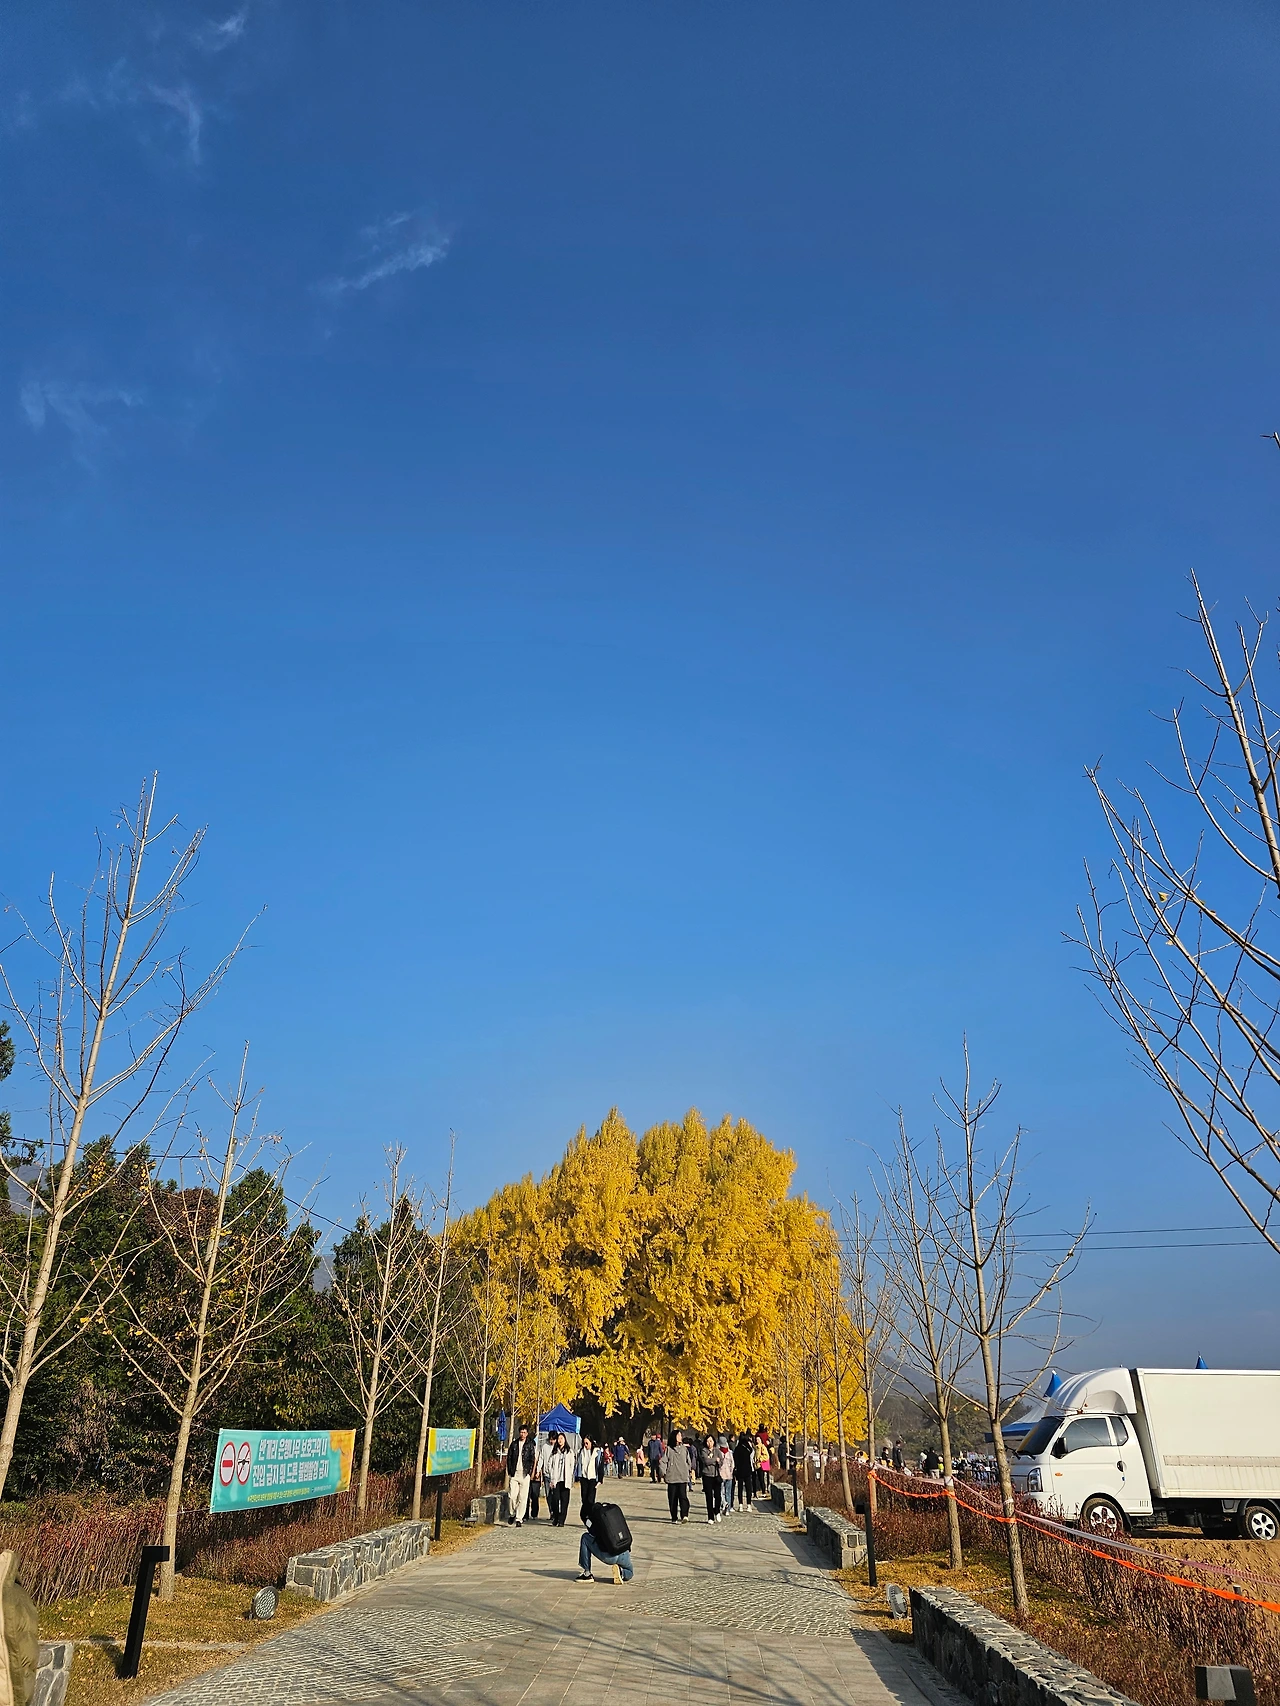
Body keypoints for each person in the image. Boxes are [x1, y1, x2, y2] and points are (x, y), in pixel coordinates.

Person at [576, 1505, 635, 1584]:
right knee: (630, 1572)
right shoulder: (613, 1514)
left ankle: (587, 1574)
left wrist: (587, 1521)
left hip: (610, 1556)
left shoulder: (595, 1520)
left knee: (585, 1538)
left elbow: (592, 1533)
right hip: (624, 1552)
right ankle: (622, 1573)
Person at [506, 1425, 537, 1526]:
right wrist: (510, 1471)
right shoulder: (514, 1444)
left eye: (524, 1432)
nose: (522, 1434)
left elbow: (532, 1459)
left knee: (523, 1498)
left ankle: (519, 1518)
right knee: (512, 1496)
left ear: (527, 1434)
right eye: (521, 1432)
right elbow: (509, 1458)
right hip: (515, 1474)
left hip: (525, 1474)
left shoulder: (530, 1445)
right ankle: (512, 1513)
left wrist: (530, 1472)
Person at [660, 1429, 693, 1522]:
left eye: (680, 1435)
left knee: (683, 1496)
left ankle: (684, 1515)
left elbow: (688, 1461)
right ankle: (674, 1516)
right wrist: (663, 1473)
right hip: (672, 1477)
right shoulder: (669, 1449)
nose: (680, 1437)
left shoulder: (684, 1449)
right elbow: (663, 1461)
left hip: (682, 1477)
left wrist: (688, 1470)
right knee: (672, 1498)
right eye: (678, 1435)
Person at [545, 1431, 574, 1526]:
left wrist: (570, 1475)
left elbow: (572, 1465)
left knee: (564, 1501)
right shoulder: (554, 1452)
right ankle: (556, 1517)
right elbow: (549, 1464)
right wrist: (551, 1474)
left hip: (565, 1480)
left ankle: (562, 1520)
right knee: (555, 1500)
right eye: (559, 1439)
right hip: (556, 1480)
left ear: (565, 1440)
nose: (560, 1440)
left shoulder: (569, 1452)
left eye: (562, 1438)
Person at [697, 1434, 722, 1523]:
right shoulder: (704, 1450)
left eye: (711, 1441)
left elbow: (721, 1461)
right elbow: (706, 1461)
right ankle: (710, 1517)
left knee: (718, 1496)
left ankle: (717, 1511)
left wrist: (717, 1461)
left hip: (716, 1475)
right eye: (707, 1441)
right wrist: (715, 1460)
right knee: (709, 1497)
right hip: (707, 1475)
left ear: (714, 1442)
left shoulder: (717, 1450)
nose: (709, 1443)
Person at [578, 1435, 602, 1516]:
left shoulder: (597, 1452)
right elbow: (579, 1464)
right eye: (584, 1443)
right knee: (584, 1498)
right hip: (584, 1478)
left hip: (593, 1478)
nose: (585, 1445)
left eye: (587, 1443)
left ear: (591, 1442)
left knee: (590, 1499)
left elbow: (600, 1465)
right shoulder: (581, 1452)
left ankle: (590, 1514)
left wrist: (600, 1479)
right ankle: (585, 1515)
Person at [732, 1432, 755, 1513]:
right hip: (747, 1469)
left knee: (740, 1488)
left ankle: (740, 1505)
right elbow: (751, 1451)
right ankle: (749, 1505)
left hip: (740, 1470)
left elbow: (735, 1459)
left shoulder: (737, 1448)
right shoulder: (748, 1448)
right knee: (748, 1488)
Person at [717, 1435, 734, 1516]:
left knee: (721, 1491)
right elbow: (733, 1464)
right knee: (728, 1492)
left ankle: (724, 1504)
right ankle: (728, 1508)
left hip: (721, 1474)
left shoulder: (718, 1452)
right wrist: (731, 1472)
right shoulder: (730, 1453)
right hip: (729, 1475)